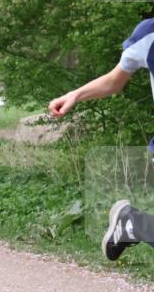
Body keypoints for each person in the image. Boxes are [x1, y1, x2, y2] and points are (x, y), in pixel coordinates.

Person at [48, 16, 154, 261]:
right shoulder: (148, 34)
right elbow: (114, 81)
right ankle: (131, 224)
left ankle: (130, 224)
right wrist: (76, 94)